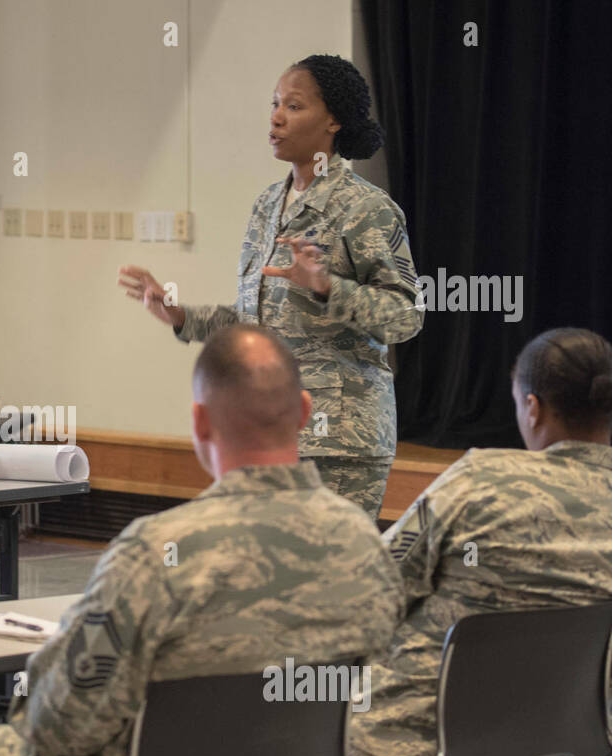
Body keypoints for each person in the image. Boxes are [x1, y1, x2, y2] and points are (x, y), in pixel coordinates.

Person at [0, 325, 403, 756]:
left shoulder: (158, 552)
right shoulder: (365, 545)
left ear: (199, 422)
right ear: (306, 413)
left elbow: (56, 729)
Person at [351, 328, 612, 756]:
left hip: (419, 747)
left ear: (532, 406)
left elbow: (377, 588)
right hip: (561, 755)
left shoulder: (476, 481)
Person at [119, 54, 422, 519]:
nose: (276, 117)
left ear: (334, 121)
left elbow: (405, 316)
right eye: (275, 104)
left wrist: (327, 287)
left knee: (325, 582)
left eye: (294, 106)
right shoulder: (267, 205)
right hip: (266, 429)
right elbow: (255, 321)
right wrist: (180, 315)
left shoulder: (367, 209)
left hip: (341, 440)